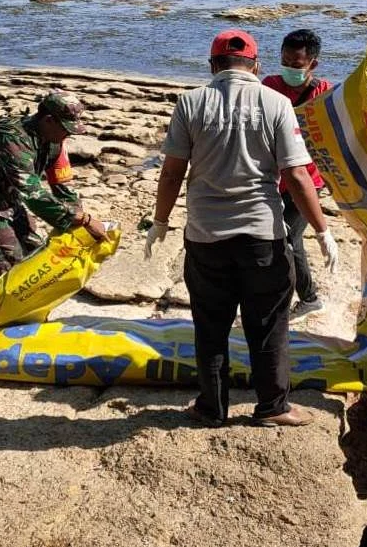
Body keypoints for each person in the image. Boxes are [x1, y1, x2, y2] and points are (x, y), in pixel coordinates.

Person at [144, 29, 339, 428]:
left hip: (205, 236)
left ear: (212, 65)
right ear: (257, 64)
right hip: (262, 235)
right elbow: (297, 175)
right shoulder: (276, 103)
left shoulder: (191, 102)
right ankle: (273, 407)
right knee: (268, 323)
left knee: (211, 324)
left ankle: (210, 408)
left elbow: (171, 173)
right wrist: (322, 230)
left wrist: (160, 222)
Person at [0, 91, 110, 281]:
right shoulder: (12, 142)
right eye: (65, 128)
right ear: (48, 120)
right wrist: (85, 220)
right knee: (8, 265)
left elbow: (63, 185)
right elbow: (33, 194)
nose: (68, 134)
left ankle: (29, 308)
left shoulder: (55, 141)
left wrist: (78, 226)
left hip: (9, 199)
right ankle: (3, 310)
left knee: (37, 254)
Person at [261, 29, 334, 318]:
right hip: (274, 178)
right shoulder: (269, 85)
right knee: (281, 238)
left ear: (312, 64)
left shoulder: (324, 92)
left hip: (308, 181)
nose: (290, 68)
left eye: (297, 64)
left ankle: (308, 297)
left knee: (289, 238)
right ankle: (294, 292)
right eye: (286, 60)